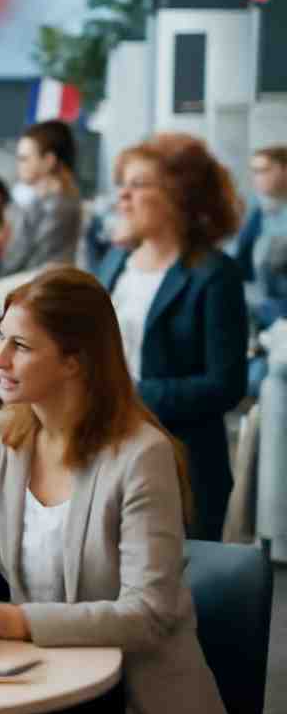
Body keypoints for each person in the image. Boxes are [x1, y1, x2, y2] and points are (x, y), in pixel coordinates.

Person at [0, 267, 231, 714]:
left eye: (21, 346)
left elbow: (148, 615)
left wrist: (4, 620)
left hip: (131, 704)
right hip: (39, 681)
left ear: (75, 361)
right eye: (1, 340)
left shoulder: (141, 455)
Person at [95, 133, 246, 540]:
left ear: (181, 196)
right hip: (103, 451)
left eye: (138, 184)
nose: (123, 196)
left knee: (171, 594)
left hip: (181, 462)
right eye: (121, 184)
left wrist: (128, 396)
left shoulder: (215, 274)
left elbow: (225, 386)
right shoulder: (115, 260)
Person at [234, 144, 287, 396]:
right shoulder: (259, 212)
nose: (257, 178)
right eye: (254, 171)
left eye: (264, 170)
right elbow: (239, 261)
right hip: (261, 315)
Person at [0, 120, 82, 275]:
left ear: (49, 161)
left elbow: (20, 261)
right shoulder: (45, 202)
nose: (19, 165)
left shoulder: (59, 207)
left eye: (24, 158)